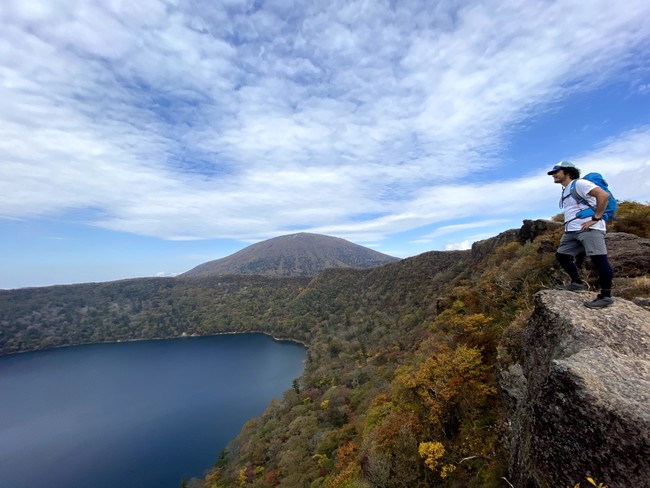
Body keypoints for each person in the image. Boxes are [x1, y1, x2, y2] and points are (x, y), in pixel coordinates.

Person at [548, 161, 614, 308]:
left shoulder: (580, 184)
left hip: (590, 229)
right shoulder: (565, 190)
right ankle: (576, 282)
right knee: (562, 255)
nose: (554, 175)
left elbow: (603, 195)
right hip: (572, 230)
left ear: (568, 172)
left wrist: (596, 218)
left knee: (599, 260)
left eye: (556, 172)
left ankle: (606, 296)